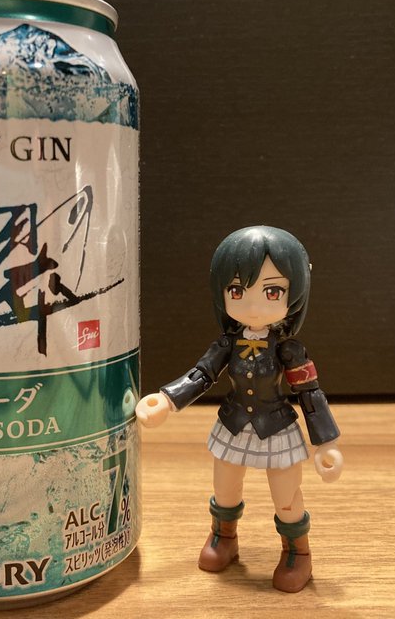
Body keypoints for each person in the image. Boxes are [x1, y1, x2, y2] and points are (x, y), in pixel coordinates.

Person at [135, 225, 343, 593]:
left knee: (287, 498)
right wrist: (167, 400)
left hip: (275, 427)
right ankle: (224, 537)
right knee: (225, 489)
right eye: (236, 291)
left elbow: (309, 393)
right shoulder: (227, 344)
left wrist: (326, 443)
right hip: (232, 424)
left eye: (272, 291)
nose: (253, 305)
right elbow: (201, 375)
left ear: (295, 292)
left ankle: (298, 553)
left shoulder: (288, 350)